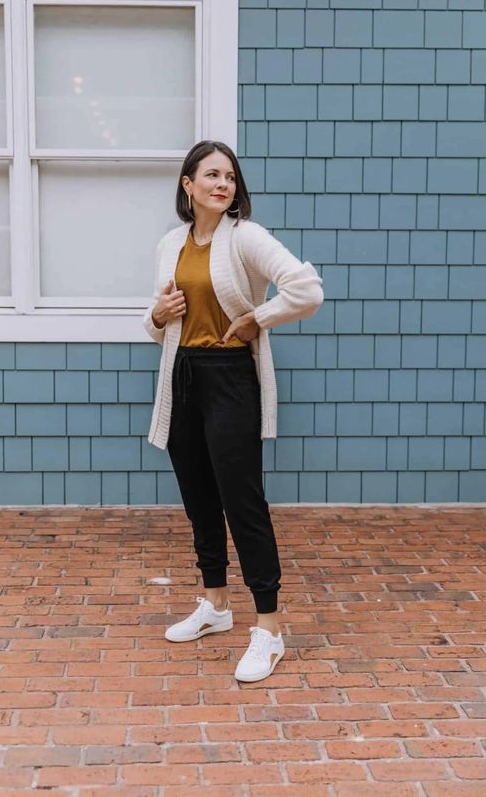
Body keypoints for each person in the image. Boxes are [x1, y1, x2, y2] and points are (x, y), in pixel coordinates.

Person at [143, 140, 323, 683]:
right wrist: (157, 313)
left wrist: (258, 318)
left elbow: (306, 289)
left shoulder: (246, 237)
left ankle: (268, 629)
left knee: (242, 502)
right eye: (212, 175)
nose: (223, 184)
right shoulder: (172, 243)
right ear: (188, 184)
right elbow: (158, 328)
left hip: (230, 380)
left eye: (230, 176)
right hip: (182, 377)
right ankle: (215, 606)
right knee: (199, 498)